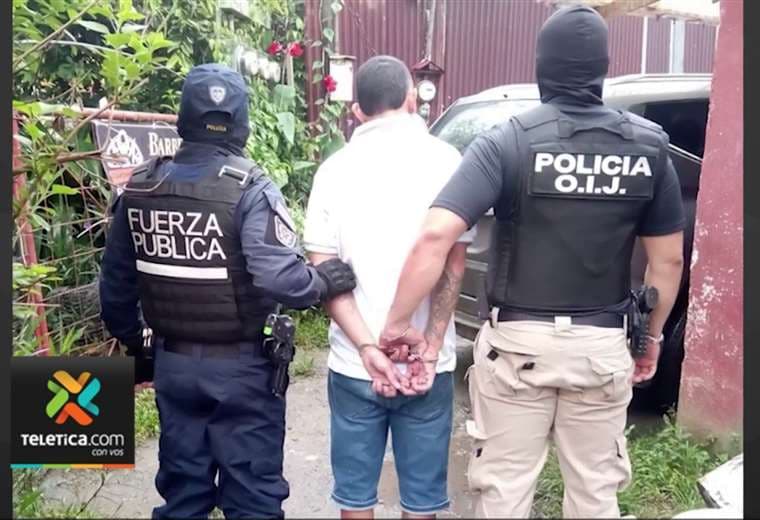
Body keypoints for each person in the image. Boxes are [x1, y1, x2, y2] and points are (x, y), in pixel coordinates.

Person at [380, 6, 685, 519]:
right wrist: (649, 338)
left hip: (518, 348)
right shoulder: (649, 148)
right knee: (595, 494)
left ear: (542, 66)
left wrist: (396, 323)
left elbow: (435, 235)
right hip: (601, 347)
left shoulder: (508, 140)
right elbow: (668, 261)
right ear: (602, 68)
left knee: (504, 491)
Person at [99, 63, 356, 519]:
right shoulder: (250, 188)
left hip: (173, 365)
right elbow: (280, 279)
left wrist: (140, 346)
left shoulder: (140, 187)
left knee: (183, 497)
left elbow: (115, 288)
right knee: (252, 500)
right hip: (243, 373)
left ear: (183, 118)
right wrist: (323, 281)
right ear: (241, 122)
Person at [303, 55, 475, 519]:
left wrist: (367, 347)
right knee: (422, 499)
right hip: (427, 366)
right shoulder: (448, 162)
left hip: (355, 363)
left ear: (357, 110)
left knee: (355, 496)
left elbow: (325, 271)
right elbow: (454, 261)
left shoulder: (333, 170)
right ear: (412, 99)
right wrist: (431, 345)